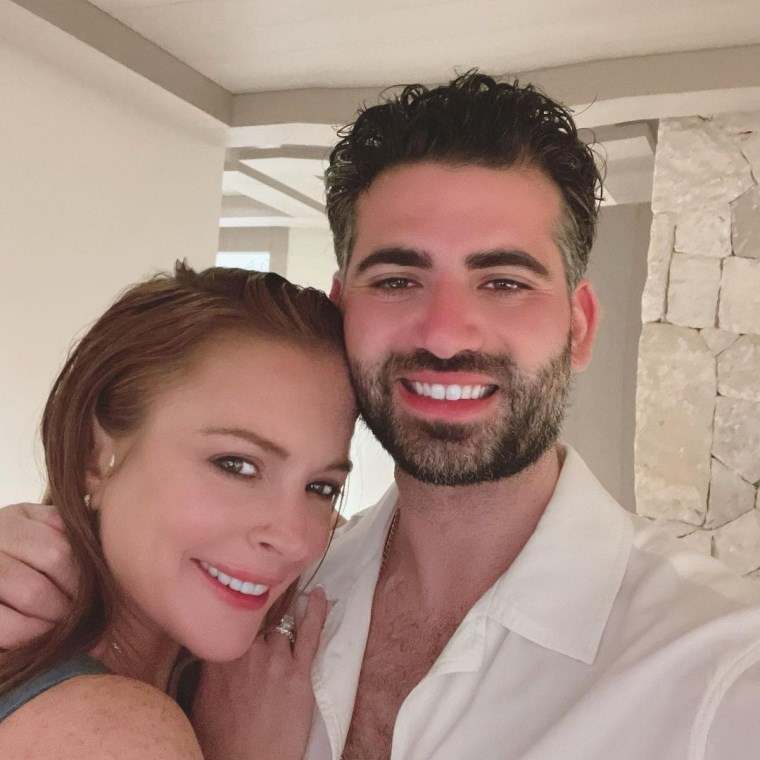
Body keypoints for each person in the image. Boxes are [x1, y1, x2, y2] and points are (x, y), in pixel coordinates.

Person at [3, 72, 760, 759]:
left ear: (579, 327)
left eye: (504, 282)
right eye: (398, 279)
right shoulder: (268, 593)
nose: (445, 335)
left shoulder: (724, 675)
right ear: (345, 313)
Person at [0, 263, 357, 759]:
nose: (295, 538)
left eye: (320, 487)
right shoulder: (115, 731)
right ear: (92, 455)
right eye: (235, 465)